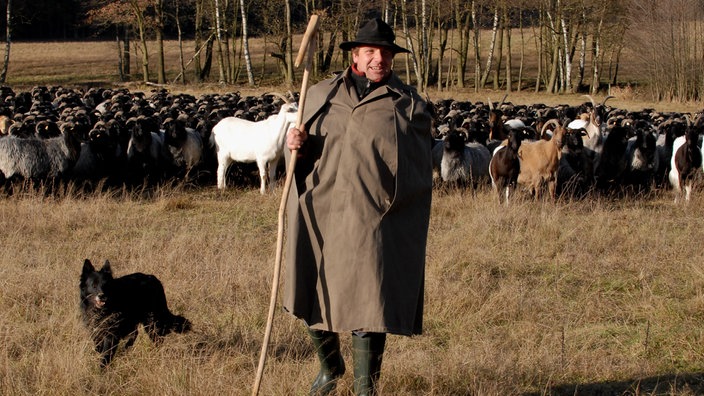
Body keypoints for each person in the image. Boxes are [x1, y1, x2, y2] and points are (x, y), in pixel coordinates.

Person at [284, 16, 433, 395]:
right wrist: (296, 146)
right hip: (322, 211)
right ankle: (329, 370)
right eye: (370, 51)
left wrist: (393, 208)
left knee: (369, 300)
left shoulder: (408, 105)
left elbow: (418, 170)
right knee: (313, 288)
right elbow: (303, 161)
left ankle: (365, 388)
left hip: (372, 217)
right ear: (355, 54)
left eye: (384, 52)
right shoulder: (321, 96)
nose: (378, 59)